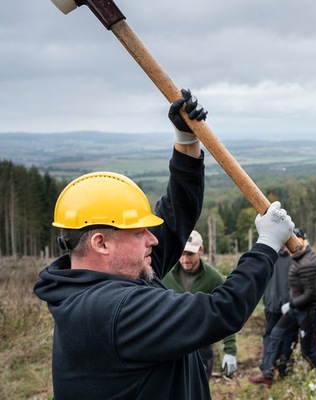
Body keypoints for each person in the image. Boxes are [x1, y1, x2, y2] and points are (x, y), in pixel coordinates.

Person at [33, 89, 296, 400]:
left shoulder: (112, 278)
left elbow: (174, 219)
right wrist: (267, 244)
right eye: (139, 232)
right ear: (101, 243)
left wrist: (186, 141)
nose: (153, 240)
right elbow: (220, 311)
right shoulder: (112, 311)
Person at [249, 228, 316, 387]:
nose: (290, 247)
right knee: (276, 333)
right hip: (298, 308)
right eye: (289, 243)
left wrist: (290, 304)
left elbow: (311, 295)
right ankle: (267, 373)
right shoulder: (299, 257)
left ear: (303, 241)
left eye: (296, 241)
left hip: (311, 310)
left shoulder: (307, 263)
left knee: (308, 350)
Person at [162, 230, 237, 379]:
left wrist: (229, 350)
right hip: (172, 346)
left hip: (201, 347)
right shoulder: (166, 276)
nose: (185, 259)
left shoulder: (213, 278)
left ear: (201, 250)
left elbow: (226, 312)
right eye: (182, 254)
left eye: (190, 254)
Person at [254, 245, 298, 381]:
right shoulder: (294, 259)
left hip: (272, 303)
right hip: (286, 305)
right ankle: (279, 367)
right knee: (285, 336)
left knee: (271, 335)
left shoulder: (268, 256)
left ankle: (269, 366)